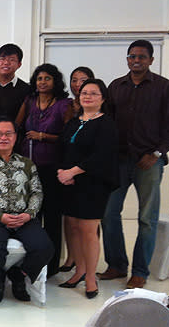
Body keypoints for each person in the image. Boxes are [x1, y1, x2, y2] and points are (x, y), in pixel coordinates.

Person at [99, 39, 169, 289]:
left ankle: (140, 271)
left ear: (151, 60)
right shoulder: (116, 87)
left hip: (149, 161)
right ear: (127, 60)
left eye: (141, 56)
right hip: (118, 160)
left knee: (146, 219)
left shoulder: (163, 87)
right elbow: (106, 121)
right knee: (108, 214)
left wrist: (158, 154)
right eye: (132, 56)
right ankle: (117, 265)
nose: (136, 60)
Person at [0, 118, 53, 304]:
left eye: (8, 133)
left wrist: (28, 214)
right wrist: (0, 216)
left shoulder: (27, 163)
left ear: (15, 137)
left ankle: (19, 276)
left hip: (24, 217)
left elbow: (37, 192)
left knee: (45, 247)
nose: (3, 137)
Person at [57, 79, 118, 299]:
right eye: (84, 93)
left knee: (88, 230)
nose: (87, 96)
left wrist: (73, 172)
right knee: (72, 226)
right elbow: (63, 149)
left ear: (102, 98)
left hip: (94, 183)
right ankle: (79, 271)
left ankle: (91, 278)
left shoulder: (106, 123)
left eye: (93, 93)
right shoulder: (74, 122)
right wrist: (63, 173)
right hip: (70, 183)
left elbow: (101, 156)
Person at [15, 63, 73, 276]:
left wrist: (43, 137)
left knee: (52, 216)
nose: (42, 82)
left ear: (55, 81)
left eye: (47, 78)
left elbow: (69, 136)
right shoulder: (29, 101)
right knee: (32, 215)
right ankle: (33, 260)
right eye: (39, 78)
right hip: (29, 167)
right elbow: (16, 127)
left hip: (53, 167)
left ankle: (52, 266)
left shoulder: (65, 104)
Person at [60, 66, 95, 272]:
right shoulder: (67, 104)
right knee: (69, 217)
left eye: (83, 80)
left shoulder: (96, 108)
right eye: (74, 80)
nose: (78, 83)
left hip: (88, 171)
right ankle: (72, 257)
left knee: (88, 222)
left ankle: (86, 264)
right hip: (67, 168)